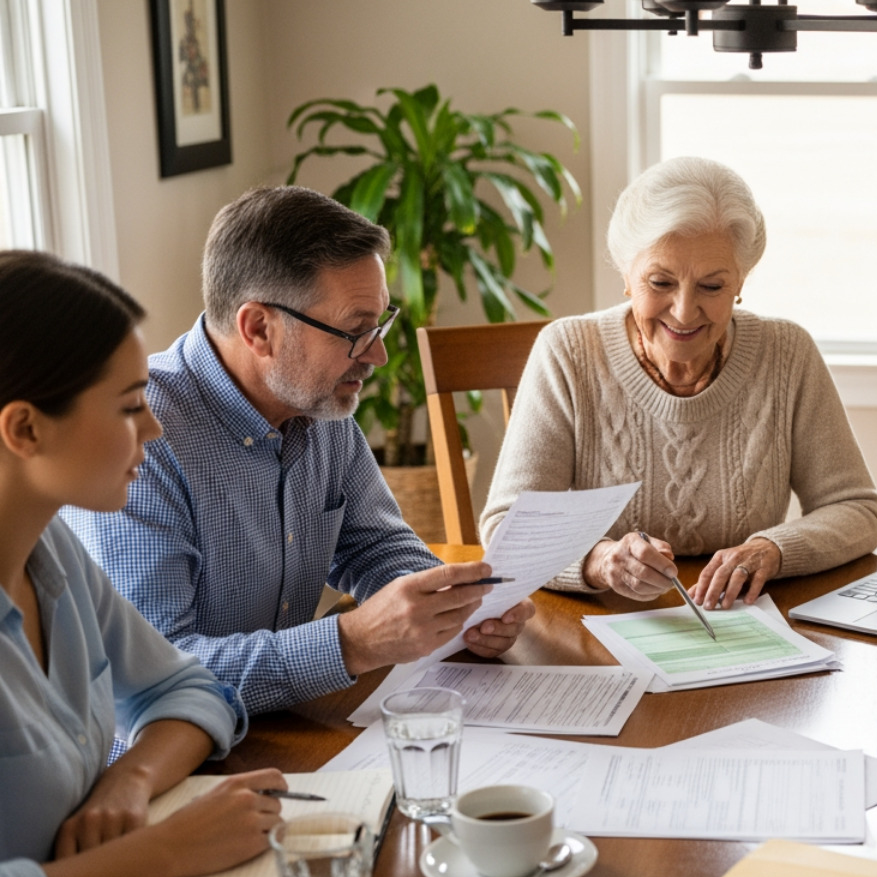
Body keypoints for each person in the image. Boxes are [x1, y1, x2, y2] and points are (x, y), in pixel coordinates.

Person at [63, 187, 534, 715]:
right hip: (162, 768)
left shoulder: (317, 403)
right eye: (356, 331)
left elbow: (373, 545)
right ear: (259, 328)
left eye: (380, 323)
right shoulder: (139, 442)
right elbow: (154, 676)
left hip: (280, 729)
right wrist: (352, 642)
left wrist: (456, 610)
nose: (377, 354)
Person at [0, 251, 286, 877]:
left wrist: (129, 780)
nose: (155, 431)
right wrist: (166, 848)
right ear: (25, 430)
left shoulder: (51, 549)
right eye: (130, 406)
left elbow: (191, 690)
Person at [480, 156, 877, 610]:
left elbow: (857, 510)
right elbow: (508, 528)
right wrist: (601, 561)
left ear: (740, 282)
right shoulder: (568, 351)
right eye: (660, 281)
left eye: (712, 286)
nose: (685, 311)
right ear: (626, 275)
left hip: (743, 621)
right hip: (604, 620)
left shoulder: (787, 353)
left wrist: (773, 549)